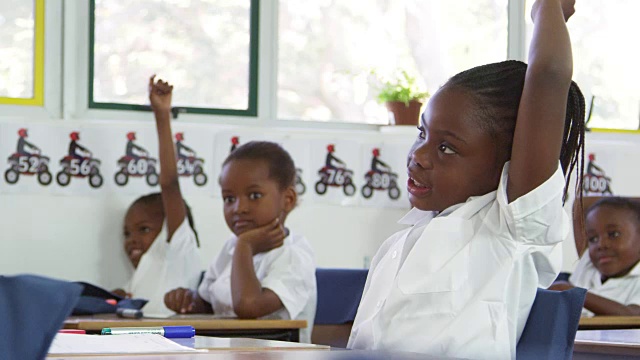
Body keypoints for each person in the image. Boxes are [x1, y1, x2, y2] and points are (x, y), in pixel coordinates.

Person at [348, 0, 586, 358]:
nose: (419, 156)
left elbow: (549, 74)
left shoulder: (508, 229)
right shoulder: (399, 244)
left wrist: (546, 8)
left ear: (508, 165)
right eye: (421, 134)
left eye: (446, 148)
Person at [164, 141, 317, 343]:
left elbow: (248, 306)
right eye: (229, 198)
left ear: (287, 199)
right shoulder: (231, 246)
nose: (238, 208)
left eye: (254, 196)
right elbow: (207, 302)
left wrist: (245, 247)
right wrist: (187, 300)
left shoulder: (293, 256)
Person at [111, 76, 202, 315]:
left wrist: (162, 116)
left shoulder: (177, 251)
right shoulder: (140, 274)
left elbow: (169, 185)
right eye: (127, 233)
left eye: (143, 229)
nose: (131, 240)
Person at [550, 197, 640, 316]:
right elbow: (581, 204)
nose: (601, 245)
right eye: (593, 239)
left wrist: (571, 291)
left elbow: (632, 316)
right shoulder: (588, 261)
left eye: (614, 234)